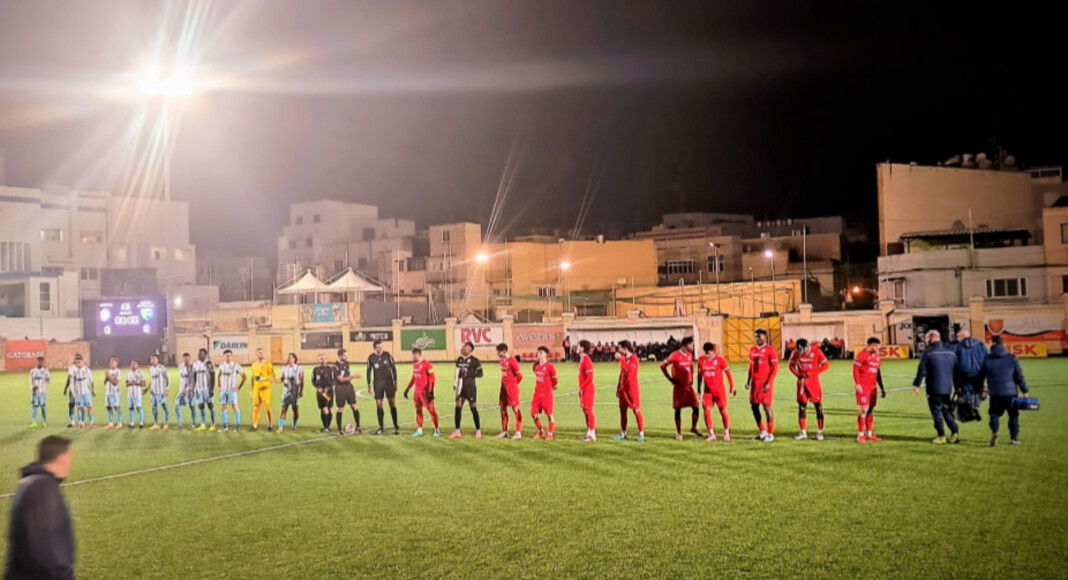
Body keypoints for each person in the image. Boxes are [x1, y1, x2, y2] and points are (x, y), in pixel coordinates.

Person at [4, 436, 75, 580]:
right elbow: (44, 544)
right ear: (61, 458)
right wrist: (65, 575)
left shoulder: (31, 482)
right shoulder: (42, 488)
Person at [981, 335, 1029, 446]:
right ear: (1003, 344)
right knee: (1013, 415)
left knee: (994, 414)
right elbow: (1019, 376)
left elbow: (981, 376)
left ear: (992, 343)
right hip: (1011, 392)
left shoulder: (987, 359)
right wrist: (1025, 390)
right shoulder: (1012, 358)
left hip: (995, 392)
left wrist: (980, 388)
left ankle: (995, 432)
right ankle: (1014, 438)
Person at [913, 330, 960, 444]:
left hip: (933, 388)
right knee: (947, 410)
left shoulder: (928, 353)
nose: (925, 341)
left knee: (936, 412)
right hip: (947, 388)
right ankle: (955, 432)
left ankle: (941, 435)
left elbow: (922, 370)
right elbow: (956, 372)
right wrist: (958, 386)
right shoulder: (951, 353)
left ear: (930, 339)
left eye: (926, 339)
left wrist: (917, 384)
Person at [661, 336, 702, 441]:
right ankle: (679, 433)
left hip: (688, 386)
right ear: (686, 345)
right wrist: (670, 378)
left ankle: (693, 427)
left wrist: (691, 378)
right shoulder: (675, 355)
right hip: (679, 387)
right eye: (692, 344)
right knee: (678, 409)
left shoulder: (690, 355)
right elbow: (662, 365)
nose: (693, 346)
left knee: (696, 406)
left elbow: (691, 367)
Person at [789, 338, 829, 441]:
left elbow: (826, 365)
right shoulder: (795, 353)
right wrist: (798, 375)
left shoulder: (816, 352)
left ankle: (820, 432)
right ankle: (803, 432)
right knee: (802, 407)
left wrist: (812, 373)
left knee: (818, 406)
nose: (800, 353)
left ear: (807, 347)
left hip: (814, 383)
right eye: (798, 350)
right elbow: (791, 365)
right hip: (802, 383)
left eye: (801, 350)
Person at [696, 342, 735, 442]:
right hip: (707, 392)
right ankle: (711, 434)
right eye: (706, 352)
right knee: (706, 411)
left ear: (713, 351)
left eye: (709, 352)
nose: (707, 354)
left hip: (719, 391)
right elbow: (700, 376)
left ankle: (726, 433)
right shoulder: (701, 360)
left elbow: (728, 373)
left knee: (723, 411)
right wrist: (698, 389)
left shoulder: (720, 360)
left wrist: (732, 386)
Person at [746, 329, 779, 442]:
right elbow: (751, 367)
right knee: (754, 406)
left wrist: (769, 382)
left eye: (759, 336)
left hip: (765, 383)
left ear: (765, 337)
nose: (757, 339)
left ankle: (770, 434)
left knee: (766, 407)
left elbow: (775, 368)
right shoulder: (753, 350)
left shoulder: (770, 350)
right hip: (755, 383)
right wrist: (748, 381)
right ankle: (762, 431)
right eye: (756, 336)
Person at [854, 337, 887, 443]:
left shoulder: (877, 357)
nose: (878, 348)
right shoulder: (861, 355)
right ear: (870, 345)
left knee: (870, 410)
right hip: (863, 386)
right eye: (876, 346)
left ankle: (869, 434)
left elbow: (878, 373)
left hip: (872, 387)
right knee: (863, 410)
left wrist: (882, 387)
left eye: (879, 346)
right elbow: (855, 370)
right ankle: (860, 435)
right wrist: (857, 384)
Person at [450, 341, 484, 440]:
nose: (463, 348)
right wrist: (455, 383)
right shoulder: (459, 359)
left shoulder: (474, 360)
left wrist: (469, 374)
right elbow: (457, 372)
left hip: (470, 387)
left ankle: (478, 431)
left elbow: (480, 374)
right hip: (460, 388)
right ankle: (457, 431)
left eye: (465, 347)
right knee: (458, 408)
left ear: (470, 350)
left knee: (473, 408)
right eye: (463, 347)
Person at [404, 348, 439, 438]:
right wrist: (407, 389)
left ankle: (436, 430)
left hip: (425, 392)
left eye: (413, 355)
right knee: (418, 410)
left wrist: (431, 391)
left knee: (431, 410)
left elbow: (432, 378)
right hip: (417, 392)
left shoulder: (427, 365)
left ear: (417, 354)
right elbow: (414, 378)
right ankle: (419, 430)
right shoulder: (415, 365)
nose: (412, 357)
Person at [366, 340, 399, 435]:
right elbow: (368, 372)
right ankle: (381, 426)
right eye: (378, 347)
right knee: (379, 404)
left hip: (389, 383)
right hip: (378, 383)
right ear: (374, 348)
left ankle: (395, 424)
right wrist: (369, 385)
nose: (380, 348)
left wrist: (395, 381)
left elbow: (393, 368)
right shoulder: (371, 358)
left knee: (392, 404)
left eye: (381, 347)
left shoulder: (387, 355)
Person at [615, 340, 646, 442]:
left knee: (636, 411)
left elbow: (631, 371)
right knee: (622, 412)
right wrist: (618, 387)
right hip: (623, 390)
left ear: (625, 348)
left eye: (620, 348)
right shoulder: (624, 359)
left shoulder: (634, 359)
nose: (618, 350)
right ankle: (623, 433)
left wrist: (621, 360)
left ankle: (641, 434)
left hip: (632, 390)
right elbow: (622, 373)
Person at [954, 329, 988, 419]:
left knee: (967, 391)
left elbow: (955, 362)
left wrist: (956, 376)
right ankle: (976, 408)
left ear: (962, 336)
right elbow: (987, 358)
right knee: (978, 391)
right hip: (979, 373)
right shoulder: (980, 345)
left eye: (958, 336)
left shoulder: (958, 347)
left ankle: (969, 410)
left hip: (965, 373)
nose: (957, 339)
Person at [530, 346, 559, 441]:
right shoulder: (535, 366)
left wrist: (553, 386)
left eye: (541, 352)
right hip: (537, 394)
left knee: (549, 414)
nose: (538, 354)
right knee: (533, 413)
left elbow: (554, 380)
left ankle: (550, 434)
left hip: (546, 394)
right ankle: (541, 431)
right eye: (538, 352)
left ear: (546, 354)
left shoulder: (550, 367)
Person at [496, 343, 524, 439]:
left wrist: (513, 386)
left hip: (511, 389)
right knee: (502, 408)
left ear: (504, 352)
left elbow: (520, 376)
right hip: (503, 388)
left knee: (515, 409)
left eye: (499, 352)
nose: (497, 354)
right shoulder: (502, 360)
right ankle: (505, 431)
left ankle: (518, 432)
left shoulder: (512, 361)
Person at [333, 348, 362, 436]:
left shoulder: (347, 364)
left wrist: (350, 379)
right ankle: (339, 430)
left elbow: (346, 376)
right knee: (340, 408)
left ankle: (358, 426)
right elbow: (341, 379)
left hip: (349, 387)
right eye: (344, 355)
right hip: (340, 388)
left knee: (354, 406)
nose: (346, 357)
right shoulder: (335, 367)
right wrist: (353, 376)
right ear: (340, 356)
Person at [217, 349, 246, 432]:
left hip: (232, 391)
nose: (228, 357)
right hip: (223, 391)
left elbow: (244, 377)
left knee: (234, 407)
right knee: (223, 407)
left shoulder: (236, 365)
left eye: (229, 356)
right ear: (224, 357)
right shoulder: (222, 365)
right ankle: (225, 427)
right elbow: (219, 375)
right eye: (226, 356)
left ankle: (238, 426)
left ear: (232, 357)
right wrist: (219, 385)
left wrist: (239, 388)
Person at [278, 353, 304, 433]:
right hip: (286, 391)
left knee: (295, 410)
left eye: (291, 357)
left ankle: (294, 426)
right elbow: (282, 379)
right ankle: (280, 427)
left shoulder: (299, 368)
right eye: (288, 357)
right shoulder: (285, 368)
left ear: (294, 359)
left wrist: (301, 391)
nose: (289, 359)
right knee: (283, 409)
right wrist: (274, 380)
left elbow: (302, 380)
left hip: (295, 391)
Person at [249, 348, 273, 432]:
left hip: (265, 389)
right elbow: (253, 378)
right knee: (256, 407)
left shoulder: (268, 364)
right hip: (256, 389)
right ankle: (254, 425)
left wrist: (263, 379)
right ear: (256, 354)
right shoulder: (254, 365)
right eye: (259, 353)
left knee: (267, 407)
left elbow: (272, 377)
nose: (261, 354)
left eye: (262, 353)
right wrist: (252, 389)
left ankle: (270, 425)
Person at [193, 348, 217, 431]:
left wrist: (211, 389)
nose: (199, 355)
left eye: (201, 354)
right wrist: (195, 388)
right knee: (201, 406)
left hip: (207, 388)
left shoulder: (209, 363)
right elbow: (194, 376)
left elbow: (212, 376)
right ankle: (202, 424)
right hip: (199, 389)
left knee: (210, 405)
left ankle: (213, 424)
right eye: (198, 353)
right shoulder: (195, 364)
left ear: (205, 355)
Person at [578, 340, 597, 442]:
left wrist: (582, 388)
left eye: (578, 346)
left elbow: (590, 377)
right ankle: (589, 432)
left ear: (582, 348)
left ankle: (592, 434)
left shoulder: (586, 360)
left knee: (589, 410)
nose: (577, 348)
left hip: (588, 389)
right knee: (585, 410)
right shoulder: (582, 359)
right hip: (584, 389)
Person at [312, 354, 337, 433]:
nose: (322, 360)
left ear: (326, 360)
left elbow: (334, 380)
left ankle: (327, 426)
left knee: (329, 408)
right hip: (320, 392)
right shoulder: (315, 369)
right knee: (322, 409)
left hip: (328, 392)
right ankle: (326, 427)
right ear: (318, 360)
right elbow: (313, 381)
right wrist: (318, 387)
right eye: (321, 359)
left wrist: (328, 387)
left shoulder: (330, 369)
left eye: (323, 359)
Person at [69, 354, 94, 429]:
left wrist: (93, 390)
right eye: (77, 362)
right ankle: (80, 422)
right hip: (78, 393)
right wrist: (73, 392)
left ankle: (91, 422)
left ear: (83, 362)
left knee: (89, 406)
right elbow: (71, 383)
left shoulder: (87, 370)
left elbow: (91, 381)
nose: (78, 364)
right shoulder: (73, 371)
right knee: (79, 407)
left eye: (79, 362)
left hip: (86, 392)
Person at [147, 354, 170, 430]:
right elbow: (152, 380)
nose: (152, 360)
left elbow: (167, 378)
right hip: (153, 392)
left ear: (158, 360)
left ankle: (166, 424)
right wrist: (148, 388)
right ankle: (156, 424)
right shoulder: (150, 369)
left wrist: (167, 389)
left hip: (161, 392)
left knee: (165, 407)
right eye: (151, 359)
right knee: (154, 408)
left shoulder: (162, 368)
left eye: (154, 359)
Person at [176, 353, 196, 429]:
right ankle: (179, 423)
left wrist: (187, 388)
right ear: (183, 359)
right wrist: (183, 389)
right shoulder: (180, 366)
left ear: (190, 359)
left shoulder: (192, 368)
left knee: (192, 407)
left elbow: (193, 380)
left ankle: (193, 424)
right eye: (185, 359)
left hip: (190, 391)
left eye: (188, 359)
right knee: (177, 405)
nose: (187, 360)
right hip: (181, 390)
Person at [29, 357, 50, 429]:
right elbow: (30, 381)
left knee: (43, 406)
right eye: (39, 361)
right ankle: (34, 422)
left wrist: (43, 384)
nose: (40, 363)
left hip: (42, 392)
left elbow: (48, 381)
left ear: (43, 362)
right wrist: (32, 388)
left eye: (41, 361)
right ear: (36, 362)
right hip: (35, 392)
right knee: (34, 407)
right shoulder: (32, 371)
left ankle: (44, 421)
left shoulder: (45, 371)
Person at [125, 360, 146, 429]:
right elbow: (126, 384)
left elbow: (144, 383)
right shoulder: (128, 374)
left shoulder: (140, 373)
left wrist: (135, 383)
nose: (133, 365)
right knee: (131, 408)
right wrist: (130, 383)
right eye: (132, 364)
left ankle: (141, 423)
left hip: (137, 394)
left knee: (139, 408)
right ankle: (131, 423)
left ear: (137, 366)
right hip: (130, 394)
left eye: (135, 364)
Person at [104, 356, 122, 429]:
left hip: (115, 392)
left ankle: (119, 423)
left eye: (112, 362)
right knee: (108, 407)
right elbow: (105, 382)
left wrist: (109, 376)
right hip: (108, 392)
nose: (111, 363)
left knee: (116, 407)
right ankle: (110, 423)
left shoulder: (118, 371)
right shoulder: (109, 371)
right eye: (110, 362)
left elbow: (115, 383)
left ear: (116, 363)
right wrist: (106, 377)